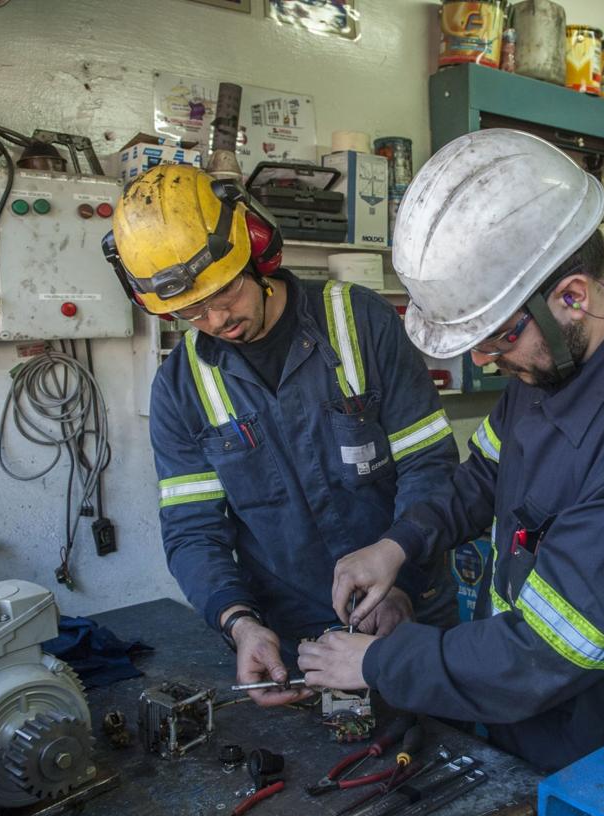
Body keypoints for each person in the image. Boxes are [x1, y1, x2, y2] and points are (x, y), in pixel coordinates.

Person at [298, 129, 604, 770]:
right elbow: (483, 474)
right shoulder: (554, 360)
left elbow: (551, 648)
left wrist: (377, 663)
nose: (484, 362)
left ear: (572, 295)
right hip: (520, 703)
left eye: (497, 338)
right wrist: (397, 544)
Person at [103, 165, 458, 706]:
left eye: (224, 293)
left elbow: (429, 465)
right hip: (293, 640)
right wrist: (240, 624)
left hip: (409, 612)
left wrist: (402, 578)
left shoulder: (361, 321)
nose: (216, 318)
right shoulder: (180, 389)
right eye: (189, 310)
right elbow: (194, 530)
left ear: (257, 250)